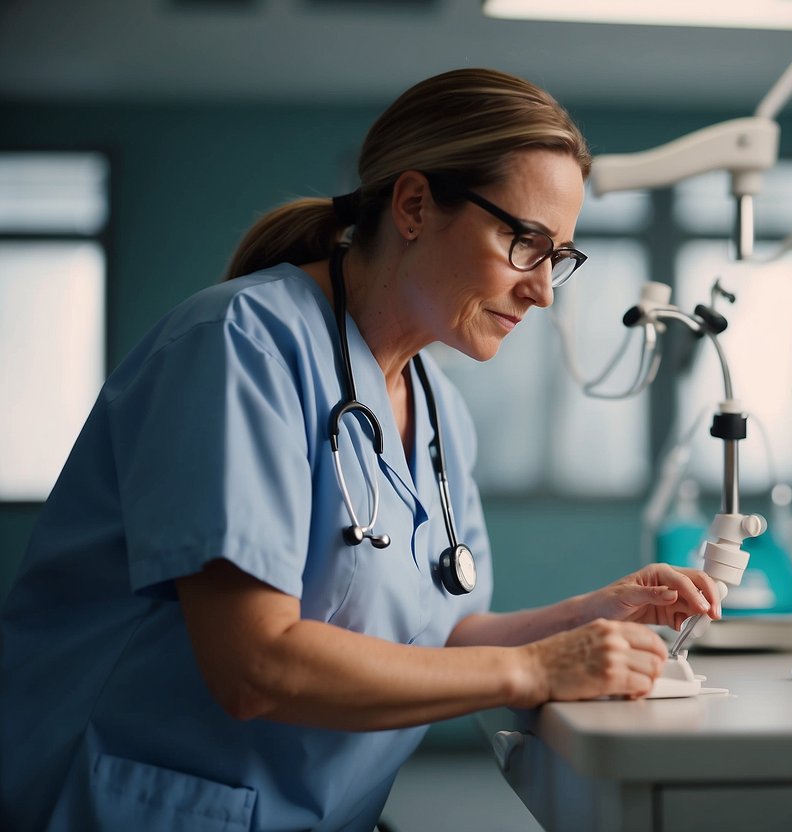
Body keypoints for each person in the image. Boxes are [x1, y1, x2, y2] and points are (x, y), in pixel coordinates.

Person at [0, 68, 722, 832]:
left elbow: (437, 637)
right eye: (523, 242)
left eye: (560, 257)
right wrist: (538, 668)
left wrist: (591, 614)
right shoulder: (241, 346)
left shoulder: (437, 407)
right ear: (413, 205)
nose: (543, 290)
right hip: (137, 809)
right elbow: (256, 666)